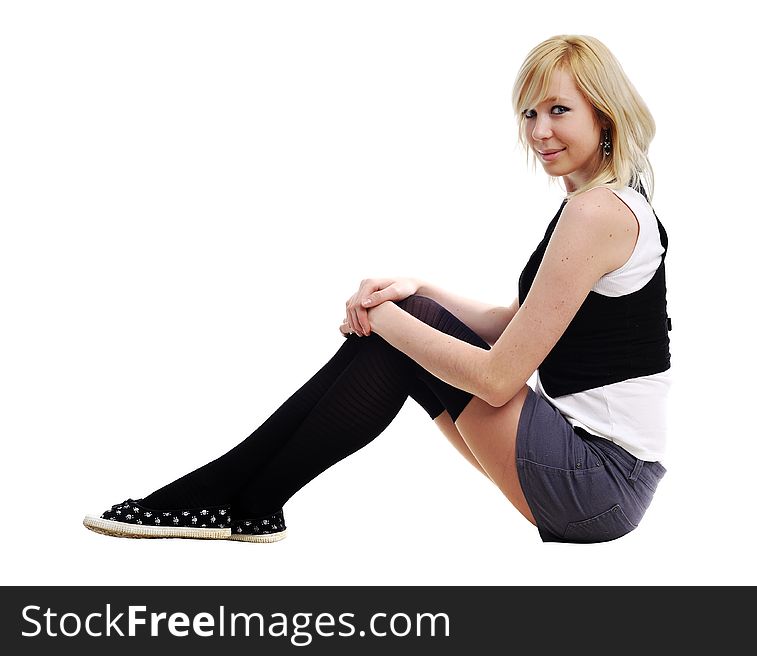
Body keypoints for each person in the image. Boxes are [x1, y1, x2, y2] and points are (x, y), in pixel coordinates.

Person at [83, 34, 671, 544]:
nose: (539, 130)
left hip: (599, 482)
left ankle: (232, 496)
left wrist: (388, 320)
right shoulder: (603, 202)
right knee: (410, 315)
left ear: (604, 114)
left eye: (558, 110)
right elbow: (516, 321)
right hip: (596, 479)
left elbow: (498, 378)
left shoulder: (597, 213)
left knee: (402, 328)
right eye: (528, 113)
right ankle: (244, 500)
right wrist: (418, 293)